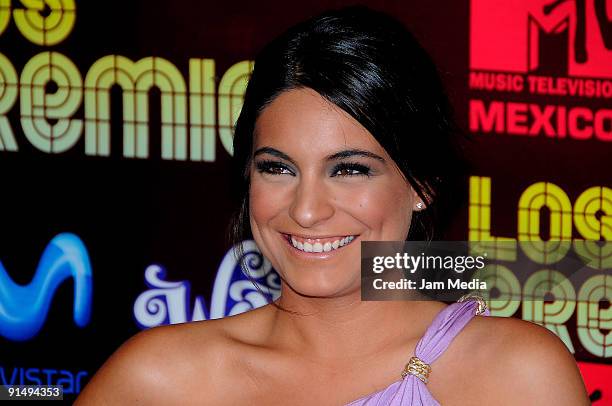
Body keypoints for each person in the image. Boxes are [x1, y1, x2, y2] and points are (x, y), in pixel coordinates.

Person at [75, 6, 590, 405]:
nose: (306, 210)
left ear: (422, 185)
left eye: (349, 169)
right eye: (277, 167)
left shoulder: (515, 375)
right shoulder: (160, 379)